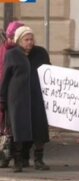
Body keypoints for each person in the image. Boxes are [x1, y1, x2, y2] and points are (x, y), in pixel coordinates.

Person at [0, 26, 50, 172]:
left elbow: (50, 73)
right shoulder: (12, 54)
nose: (29, 42)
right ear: (18, 41)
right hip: (17, 99)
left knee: (39, 128)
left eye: (31, 39)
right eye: (26, 40)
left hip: (37, 98)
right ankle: (18, 161)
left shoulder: (40, 53)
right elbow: (6, 77)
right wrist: (2, 99)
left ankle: (39, 160)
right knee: (17, 129)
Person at [0, 21, 25, 168]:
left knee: (9, 128)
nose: (10, 39)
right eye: (9, 37)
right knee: (7, 128)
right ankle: (7, 157)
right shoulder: (10, 52)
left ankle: (11, 157)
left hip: (11, 95)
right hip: (6, 93)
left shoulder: (16, 51)